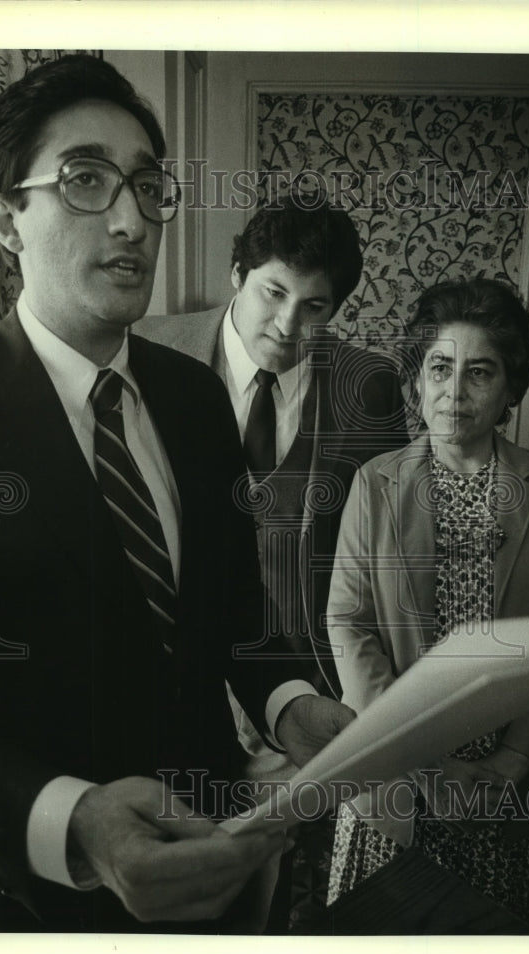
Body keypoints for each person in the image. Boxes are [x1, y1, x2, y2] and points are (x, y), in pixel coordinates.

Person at [0, 54, 353, 934]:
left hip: (222, 854)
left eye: (148, 186)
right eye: (86, 180)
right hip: (42, 907)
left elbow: (234, 607)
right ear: (7, 218)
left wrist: (291, 703)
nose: (130, 219)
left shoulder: (194, 397)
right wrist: (73, 821)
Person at [325, 278, 529, 933]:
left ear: (510, 389)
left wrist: (514, 762)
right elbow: (348, 620)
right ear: (416, 381)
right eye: (440, 369)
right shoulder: (375, 483)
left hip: (507, 787)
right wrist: (416, 756)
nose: (454, 393)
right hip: (400, 772)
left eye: (479, 373)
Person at [139, 197, 410, 708]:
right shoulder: (148, 349)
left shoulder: (370, 385)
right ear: (237, 274)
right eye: (274, 291)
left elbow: (387, 548)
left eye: (314, 306)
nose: (288, 324)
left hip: (313, 676)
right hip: (177, 670)